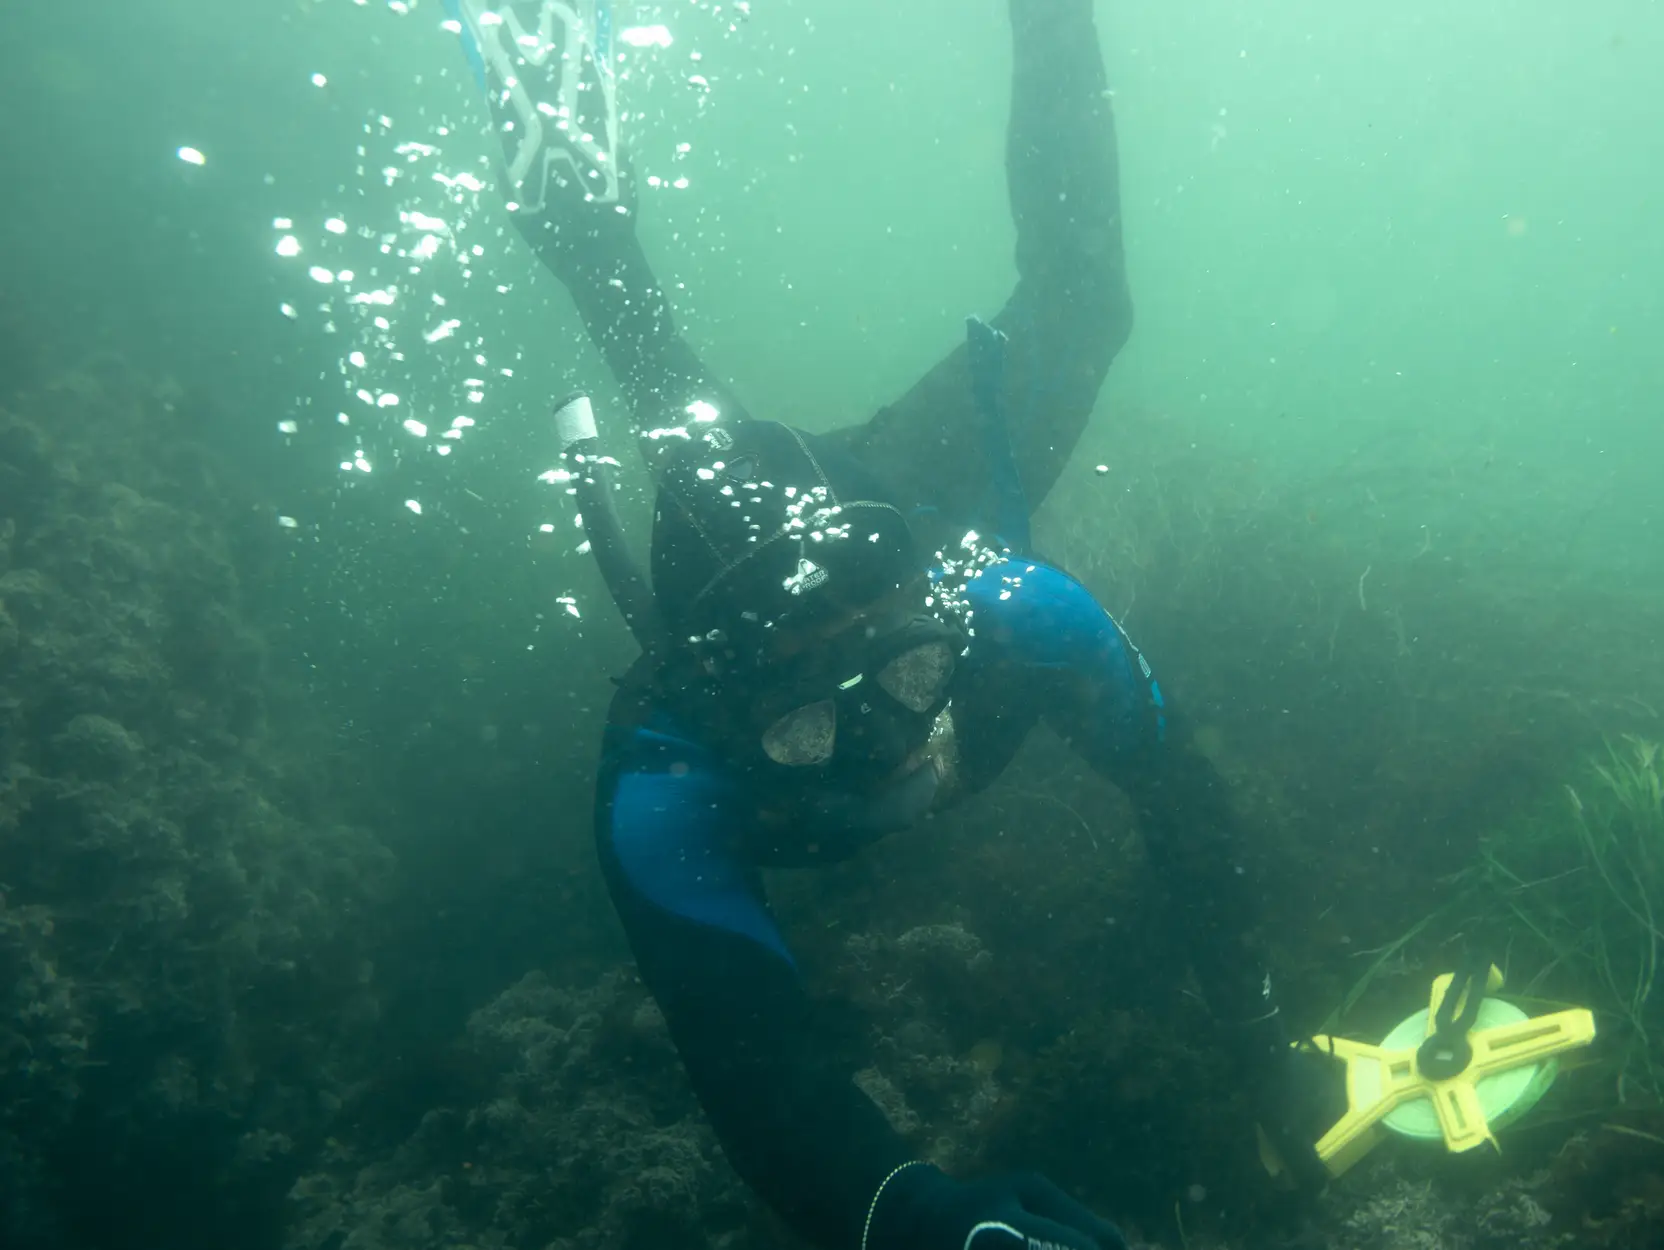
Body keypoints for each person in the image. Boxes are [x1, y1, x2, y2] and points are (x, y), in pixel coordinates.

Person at [445, 3, 1344, 1247]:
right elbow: (756, 1074)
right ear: (732, 716)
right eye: (810, 724)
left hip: (882, 516)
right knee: (697, 454)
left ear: (938, 611)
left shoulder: (996, 607)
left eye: (913, 671)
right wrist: (917, 1217)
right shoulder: (666, 775)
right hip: (769, 579)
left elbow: (1179, 794)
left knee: (1079, 304)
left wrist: (1259, 1036)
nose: (881, 738)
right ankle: (591, 241)